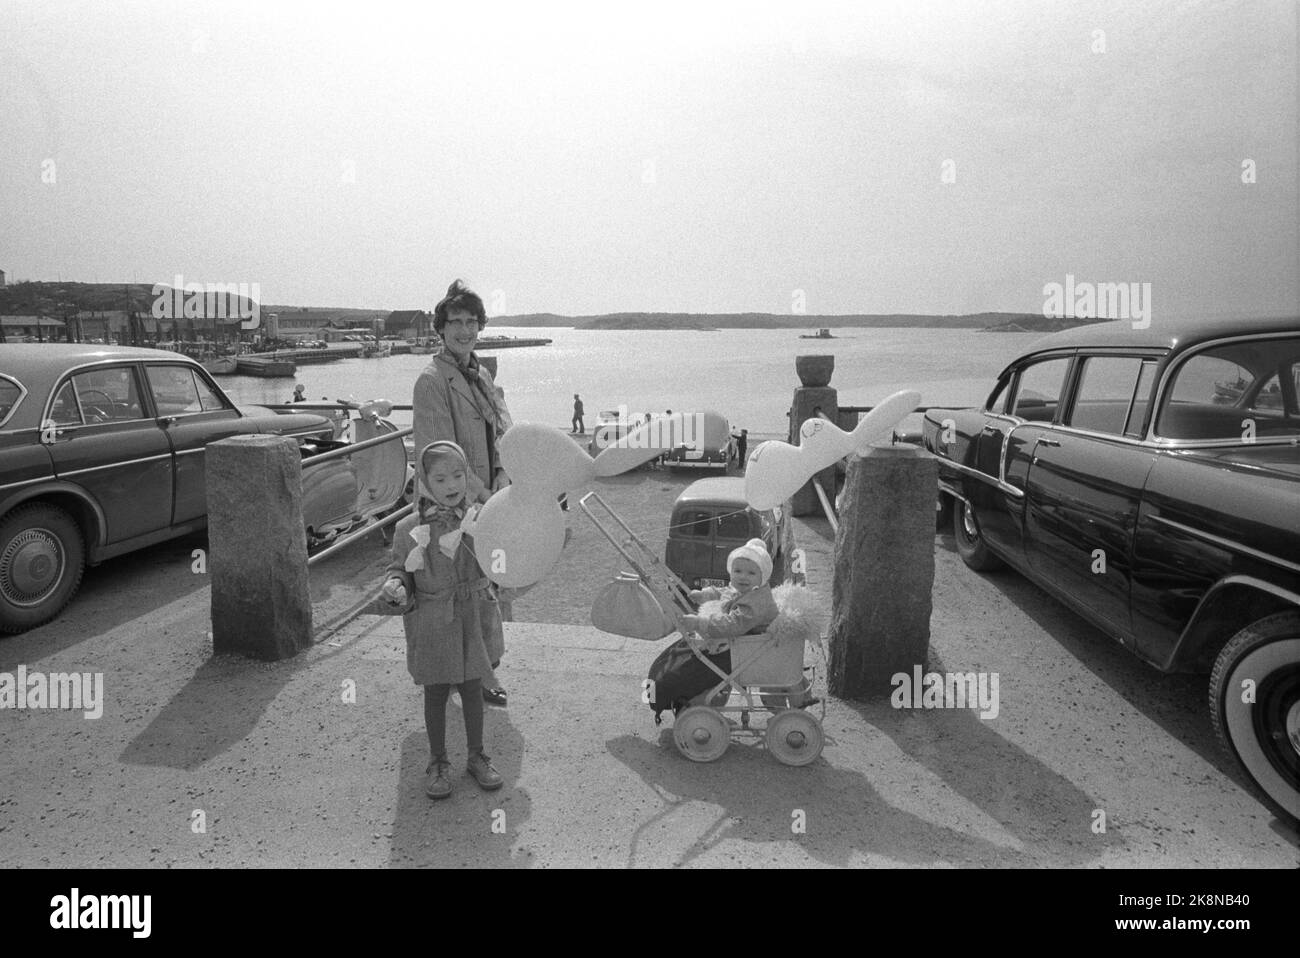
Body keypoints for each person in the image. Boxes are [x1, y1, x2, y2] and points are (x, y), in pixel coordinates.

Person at [381, 441, 505, 799]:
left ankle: (477, 755)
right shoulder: (408, 528)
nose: (451, 484)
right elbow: (399, 568)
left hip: (470, 615)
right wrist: (396, 584)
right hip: (432, 620)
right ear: (424, 481)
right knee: (435, 692)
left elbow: (500, 560)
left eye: (458, 475)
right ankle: (437, 760)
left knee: (471, 688)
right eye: (440, 478)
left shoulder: (480, 520)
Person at [412, 280, 512, 706]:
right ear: (441, 328)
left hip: (488, 498)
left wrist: (505, 477)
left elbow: (504, 431)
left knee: (487, 589)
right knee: (455, 595)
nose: (464, 330)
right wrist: (484, 495)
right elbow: (440, 458)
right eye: (455, 322)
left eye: (472, 321)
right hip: (453, 504)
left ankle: (485, 670)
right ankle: (462, 676)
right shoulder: (432, 381)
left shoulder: (481, 374)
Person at [646, 538, 779, 720]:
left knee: (684, 668)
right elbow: (726, 592)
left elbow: (733, 624)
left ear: (762, 576)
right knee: (677, 655)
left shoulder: (756, 602)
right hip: (736, 643)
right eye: (737, 570)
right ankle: (659, 695)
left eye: (750, 573)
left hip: (743, 649)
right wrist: (705, 594)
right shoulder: (748, 590)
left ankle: (668, 696)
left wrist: (700, 623)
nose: (742, 577)